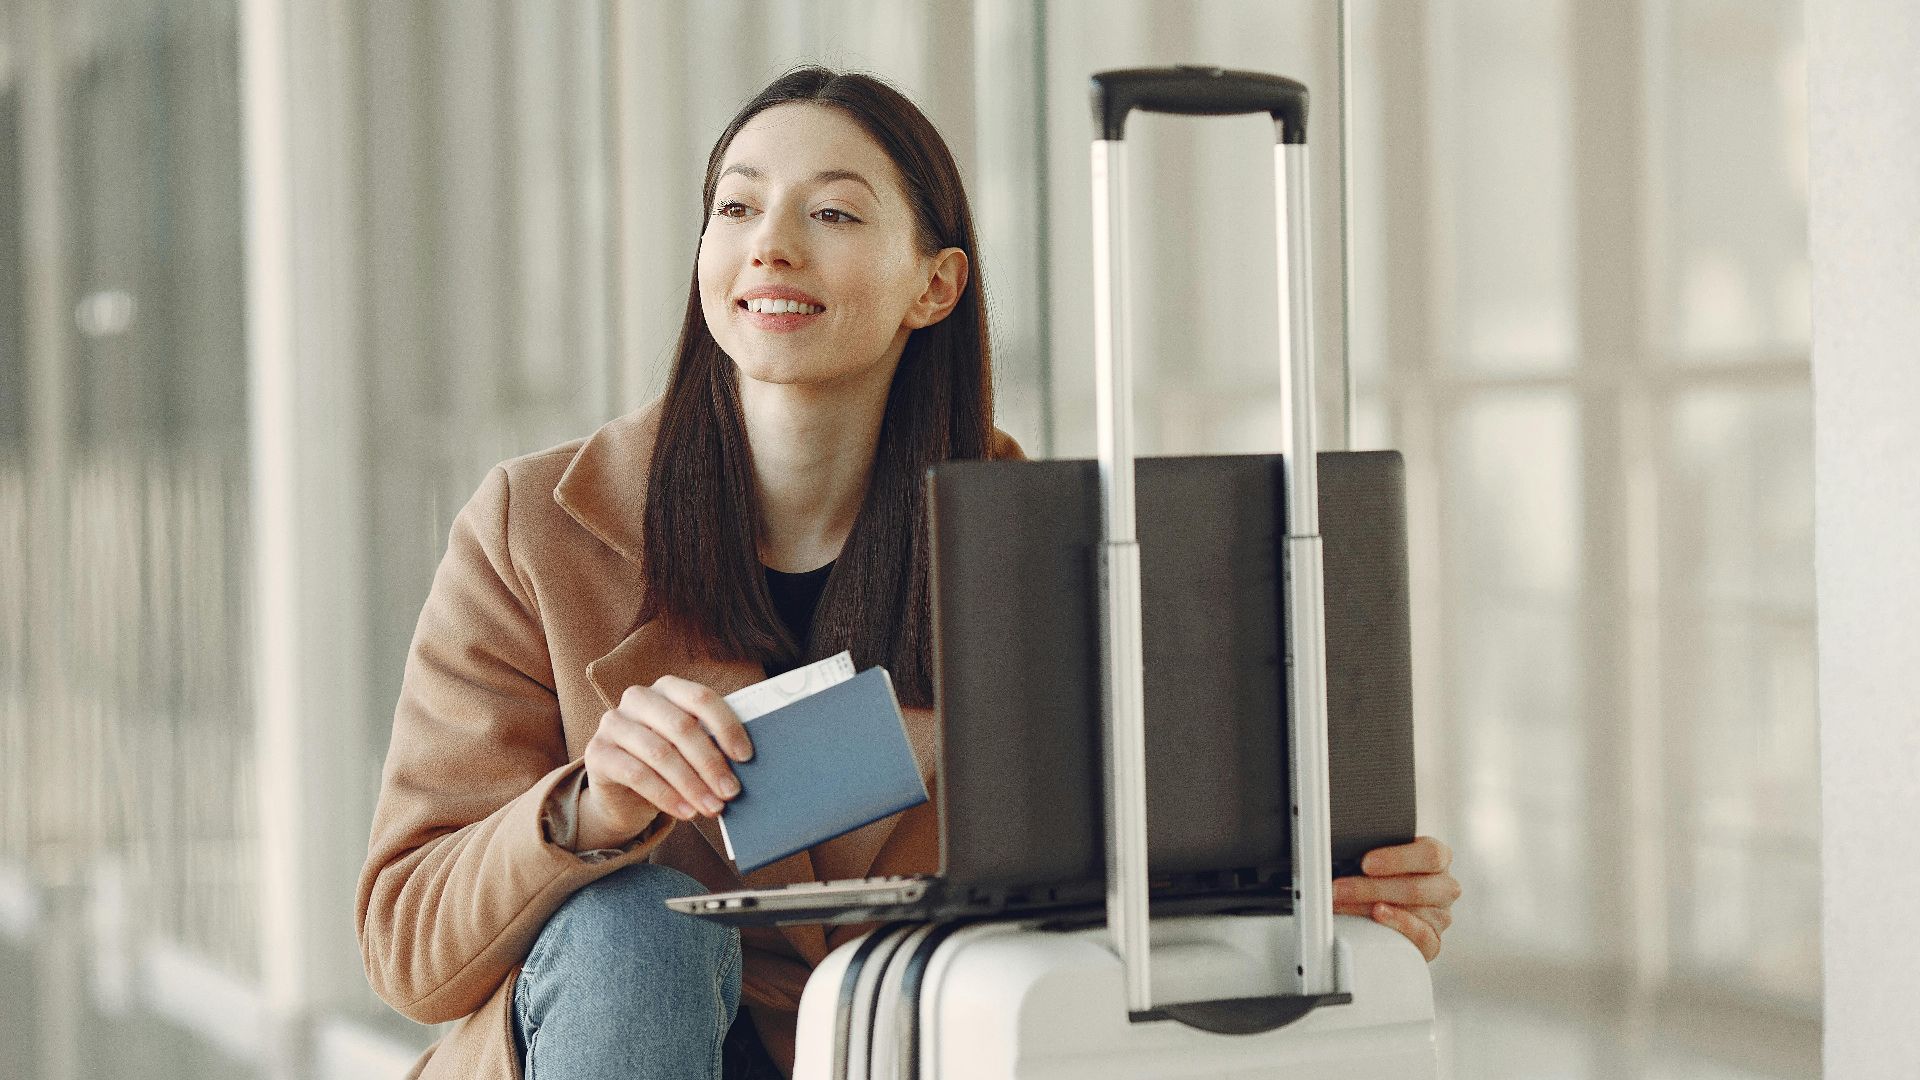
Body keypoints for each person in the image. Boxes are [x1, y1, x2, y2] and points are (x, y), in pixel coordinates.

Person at [354, 65, 1460, 1080]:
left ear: (933, 287)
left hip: (897, 1049)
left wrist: (1324, 891)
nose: (769, 246)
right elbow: (411, 952)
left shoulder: (1056, 553)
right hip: (630, 1040)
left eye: (831, 213)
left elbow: (1124, 880)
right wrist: (586, 815)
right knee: (635, 924)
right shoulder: (534, 531)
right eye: (735, 207)